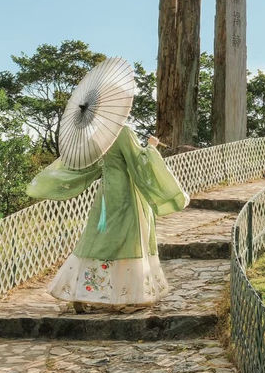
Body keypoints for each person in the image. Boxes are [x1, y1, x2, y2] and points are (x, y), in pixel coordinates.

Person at [27, 125, 189, 312]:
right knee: (127, 240)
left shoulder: (98, 134)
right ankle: (125, 297)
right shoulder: (123, 131)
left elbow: (92, 165)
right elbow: (137, 162)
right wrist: (151, 147)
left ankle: (79, 292)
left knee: (97, 238)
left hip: (105, 193)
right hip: (126, 193)